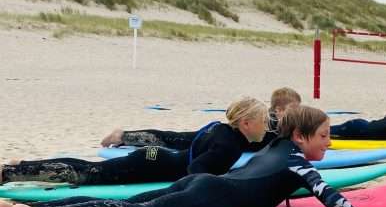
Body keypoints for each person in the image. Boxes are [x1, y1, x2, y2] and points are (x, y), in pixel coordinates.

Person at [0, 105, 386, 207]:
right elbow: (332, 200)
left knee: (127, 205)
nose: (330, 143)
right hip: (210, 198)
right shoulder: (297, 161)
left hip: (202, 184)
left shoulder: (275, 145)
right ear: (301, 136)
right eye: (324, 136)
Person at [2, 98, 271, 186]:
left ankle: (21, 164)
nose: (267, 125)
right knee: (89, 173)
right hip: (152, 164)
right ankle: (11, 172)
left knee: (91, 168)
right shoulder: (229, 146)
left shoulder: (225, 130)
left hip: (155, 156)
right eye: (263, 120)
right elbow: (194, 174)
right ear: (246, 123)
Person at [100, 87, 300, 148]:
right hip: (215, 136)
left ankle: (126, 136)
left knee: (175, 139)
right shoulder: (272, 121)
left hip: (221, 136)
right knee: (175, 139)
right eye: (294, 108)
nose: (298, 112)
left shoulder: (278, 123)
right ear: (280, 110)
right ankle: (123, 136)